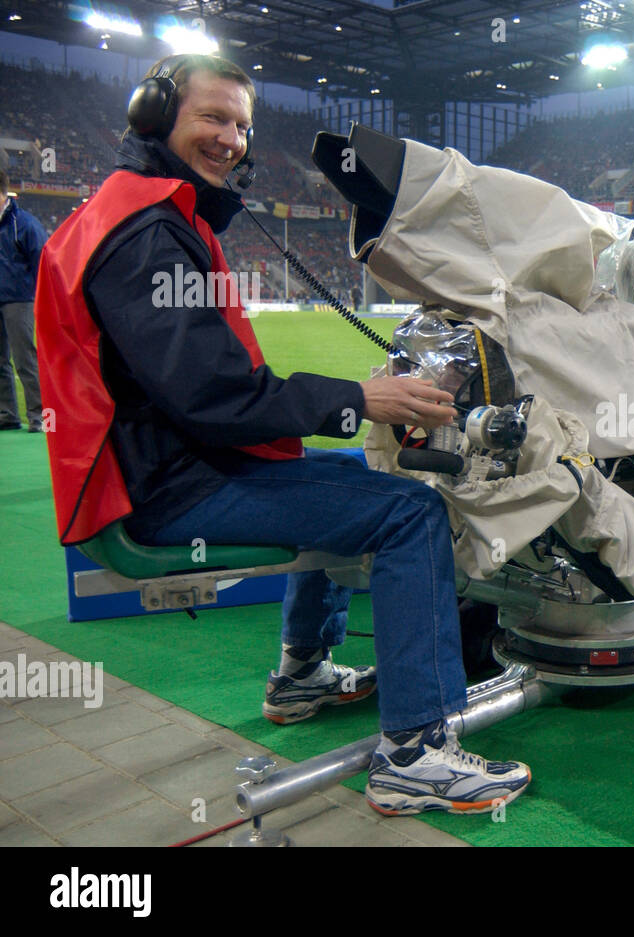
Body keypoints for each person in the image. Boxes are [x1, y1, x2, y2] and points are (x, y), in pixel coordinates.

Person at [33, 54, 530, 818]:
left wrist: (347, 402)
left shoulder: (140, 209)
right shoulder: (146, 230)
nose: (231, 139)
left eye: (241, 124)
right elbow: (213, 398)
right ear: (155, 113)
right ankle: (416, 751)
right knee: (408, 511)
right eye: (213, 117)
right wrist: (360, 398)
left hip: (159, 468)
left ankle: (302, 669)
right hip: (167, 488)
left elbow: (202, 388)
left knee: (330, 476)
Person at [0, 167, 48, 432]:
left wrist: (41, 297)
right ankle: (7, 414)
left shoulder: (24, 222)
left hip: (19, 299)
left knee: (24, 358)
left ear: (3, 193)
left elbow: (42, 260)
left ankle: (38, 416)